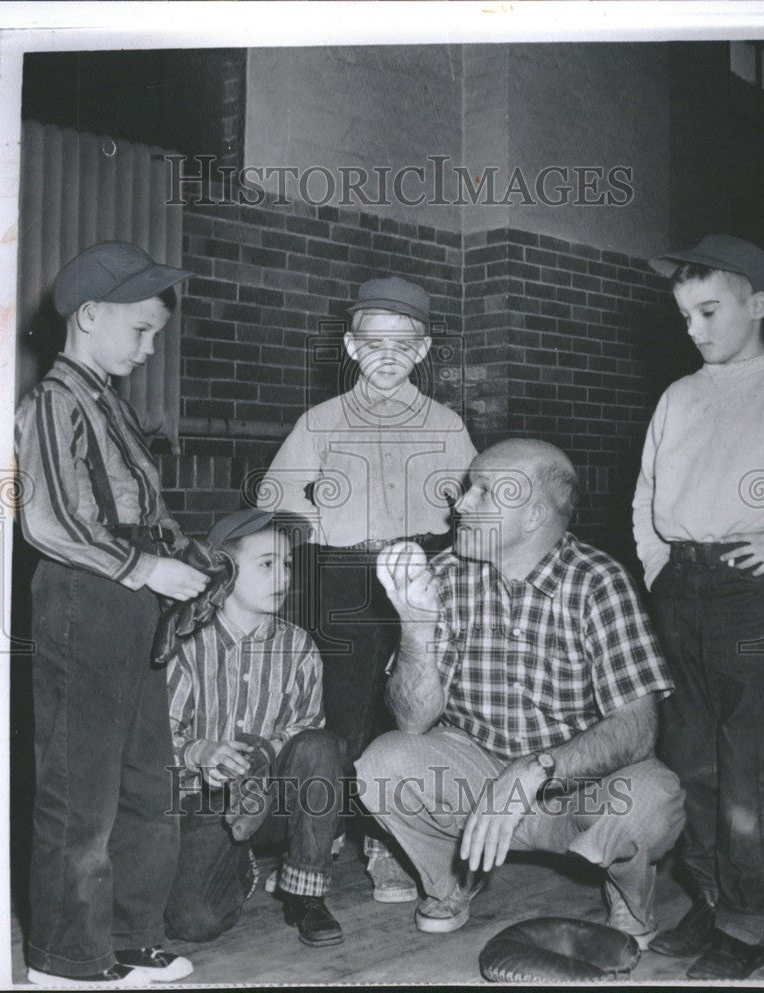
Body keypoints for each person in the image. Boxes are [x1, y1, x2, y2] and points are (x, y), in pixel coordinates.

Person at [354, 439, 685, 947]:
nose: (460, 503)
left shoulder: (598, 582)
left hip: (573, 788)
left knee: (651, 800)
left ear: (532, 515)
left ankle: (628, 896)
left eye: (483, 492)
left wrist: (536, 769)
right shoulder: (443, 575)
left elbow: (637, 729)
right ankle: (453, 881)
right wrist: (416, 626)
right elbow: (412, 723)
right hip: (476, 779)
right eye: (467, 488)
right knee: (383, 763)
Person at [15, 242, 208, 987]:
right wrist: (147, 566)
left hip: (132, 603)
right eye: (141, 329)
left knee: (142, 779)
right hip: (85, 598)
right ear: (89, 316)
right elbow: (53, 517)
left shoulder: (110, 405)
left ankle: (129, 936)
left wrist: (193, 557)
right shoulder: (51, 404)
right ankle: (66, 955)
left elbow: (146, 510)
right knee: (79, 785)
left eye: (156, 333)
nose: (150, 345)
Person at [633, 235, 764, 980]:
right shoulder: (679, 394)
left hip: (752, 594)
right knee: (690, 764)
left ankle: (748, 923)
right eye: (684, 315)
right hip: (679, 587)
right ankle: (711, 900)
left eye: (709, 310)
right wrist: (656, 568)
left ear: (758, 304)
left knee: (748, 769)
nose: (694, 329)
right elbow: (647, 493)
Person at [258, 276, 477, 902]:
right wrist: (304, 535)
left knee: (408, 716)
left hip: (420, 574)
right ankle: (319, 839)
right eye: (374, 342)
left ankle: (393, 848)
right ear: (352, 347)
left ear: (424, 349)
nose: (387, 355)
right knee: (345, 713)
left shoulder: (447, 424)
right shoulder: (319, 422)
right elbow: (280, 505)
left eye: (403, 343)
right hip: (345, 576)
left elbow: (473, 511)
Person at [165, 508, 347, 948]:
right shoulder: (187, 644)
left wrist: (262, 753)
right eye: (267, 564)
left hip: (274, 796)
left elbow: (308, 735)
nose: (283, 576)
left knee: (322, 746)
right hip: (204, 800)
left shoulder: (298, 646)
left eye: (287, 564)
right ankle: (240, 865)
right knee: (195, 924)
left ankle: (305, 893)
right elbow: (155, 742)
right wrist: (200, 753)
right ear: (223, 572)